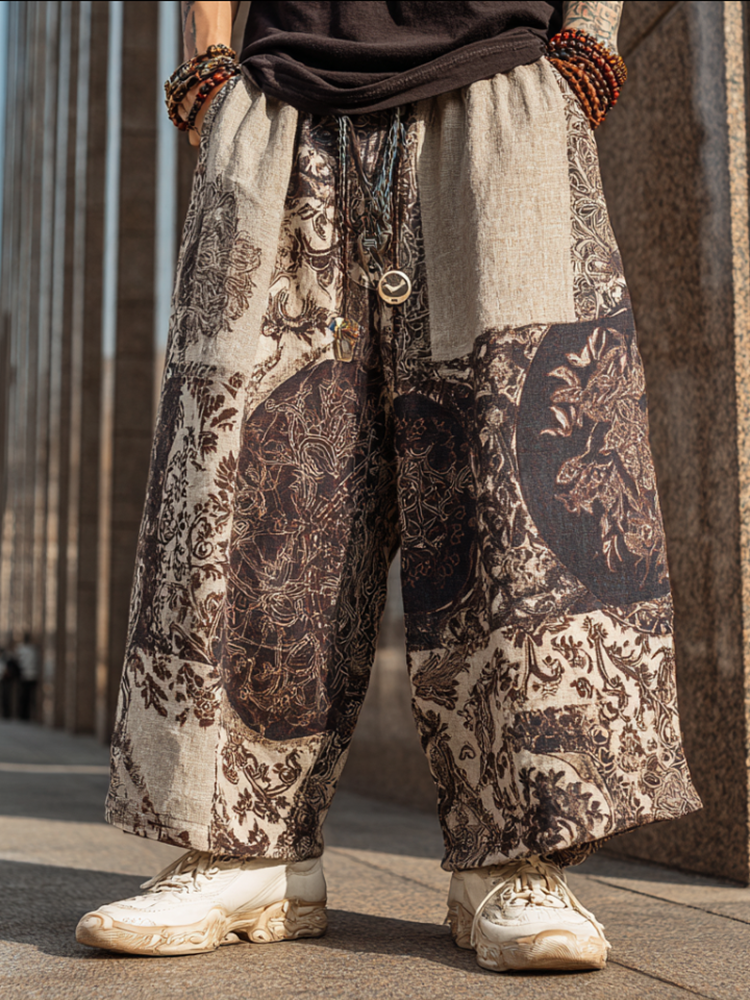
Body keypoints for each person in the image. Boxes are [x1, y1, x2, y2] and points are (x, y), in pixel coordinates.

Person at [76, 0, 702, 972]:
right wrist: (207, 63)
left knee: (520, 487)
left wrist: (590, 36)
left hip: (497, 83)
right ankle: (243, 849)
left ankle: (517, 858)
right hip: (282, 102)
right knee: (253, 490)